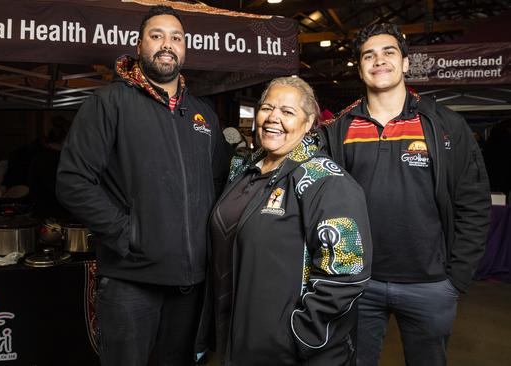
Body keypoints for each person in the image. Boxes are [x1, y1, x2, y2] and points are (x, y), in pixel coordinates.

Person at [56, 5, 228, 366]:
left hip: (190, 283)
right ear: (138, 45)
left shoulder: (203, 114)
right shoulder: (108, 104)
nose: (167, 44)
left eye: (176, 38)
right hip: (130, 281)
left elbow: (216, 183)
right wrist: (127, 233)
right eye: (157, 36)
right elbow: (73, 181)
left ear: (185, 48)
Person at [317, 23, 491, 366]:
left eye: (388, 52)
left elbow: (473, 203)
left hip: (430, 285)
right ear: (360, 66)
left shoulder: (444, 125)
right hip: (359, 284)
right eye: (369, 55)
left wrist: (455, 278)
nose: (378, 61)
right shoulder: (340, 129)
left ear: (406, 63)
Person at [196, 76, 372, 365]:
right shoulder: (243, 168)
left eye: (287, 112)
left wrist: (296, 336)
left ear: (308, 122)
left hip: (285, 351)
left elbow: (348, 275)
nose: (273, 118)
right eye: (267, 108)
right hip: (236, 338)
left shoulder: (326, 180)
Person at [27, 116, 71, 219]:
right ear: (65, 139)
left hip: (42, 213)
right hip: (55, 216)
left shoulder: (39, 157)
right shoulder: (58, 160)